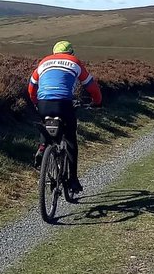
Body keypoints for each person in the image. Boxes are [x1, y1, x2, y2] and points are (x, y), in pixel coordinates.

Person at [28, 40, 102, 192]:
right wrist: (97, 101)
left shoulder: (44, 62)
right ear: (71, 52)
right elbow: (91, 85)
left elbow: (32, 86)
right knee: (70, 139)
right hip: (63, 103)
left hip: (43, 103)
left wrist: (35, 102)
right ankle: (73, 180)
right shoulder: (74, 62)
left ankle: (42, 147)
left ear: (54, 52)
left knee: (46, 124)